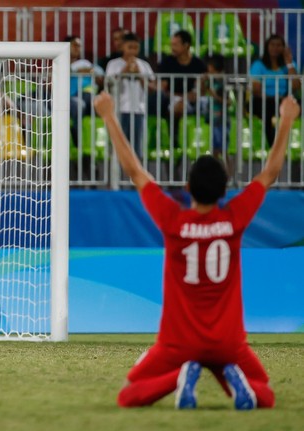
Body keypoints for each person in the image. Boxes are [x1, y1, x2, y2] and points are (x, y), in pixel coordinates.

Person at [94, 90, 300, 409]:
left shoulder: (173, 220)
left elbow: (135, 172)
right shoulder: (234, 218)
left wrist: (108, 115)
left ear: (187, 187)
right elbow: (270, 172)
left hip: (178, 343)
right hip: (227, 343)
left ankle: (180, 377)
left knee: (129, 394)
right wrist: (286, 119)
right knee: (266, 395)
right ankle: (235, 383)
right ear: (224, 190)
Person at [105, 32, 155, 158]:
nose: (133, 51)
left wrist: (140, 76)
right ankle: (116, 176)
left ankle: (135, 177)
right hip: (119, 110)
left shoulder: (144, 65)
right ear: (122, 47)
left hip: (138, 110)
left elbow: (152, 88)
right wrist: (124, 71)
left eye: (136, 47)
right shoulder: (113, 64)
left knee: (137, 148)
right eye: (129, 47)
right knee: (118, 147)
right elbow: (109, 85)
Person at [249, 34, 301, 146]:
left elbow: (296, 86)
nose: (275, 48)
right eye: (272, 45)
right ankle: (273, 146)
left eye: (279, 45)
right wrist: (274, 98)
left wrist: (289, 63)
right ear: (267, 47)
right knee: (267, 111)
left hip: (284, 100)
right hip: (263, 100)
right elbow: (256, 90)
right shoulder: (258, 65)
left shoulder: (288, 65)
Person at [157, 30, 207, 119]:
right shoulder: (166, 62)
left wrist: (195, 94)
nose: (172, 48)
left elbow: (201, 88)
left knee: (207, 103)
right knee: (179, 106)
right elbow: (162, 89)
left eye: (175, 45)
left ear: (186, 45)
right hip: (173, 98)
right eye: (172, 44)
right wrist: (181, 97)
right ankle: (175, 132)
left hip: (194, 99)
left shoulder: (198, 64)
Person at [65, 35, 104, 145]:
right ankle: (77, 139)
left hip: (88, 97)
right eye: (75, 45)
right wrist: (75, 71)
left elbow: (101, 79)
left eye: (79, 46)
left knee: (101, 103)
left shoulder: (86, 64)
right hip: (70, 99)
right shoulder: (59, 64)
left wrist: (90, 72)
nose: (78, 48)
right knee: (78, 104)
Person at [202, 55, 231, 165]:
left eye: (210, 67)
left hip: (222, 120)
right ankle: (216, 176)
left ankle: (228, 177)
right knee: (214, 151)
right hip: (213, 120)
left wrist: (214, 95)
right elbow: (203, 92)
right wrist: (203, 81)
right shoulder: (210, 81)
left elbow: (228, 102)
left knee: (223, 151)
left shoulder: (223, 82)